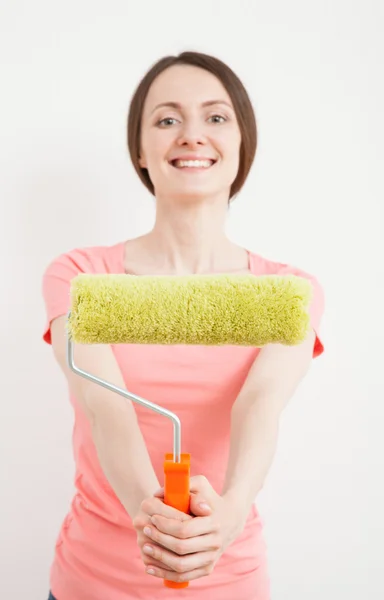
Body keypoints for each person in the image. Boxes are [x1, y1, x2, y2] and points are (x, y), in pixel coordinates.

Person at [42, 50, 325, 600]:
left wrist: (231, 513)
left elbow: (259, 406)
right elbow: (108, 409)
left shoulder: (289, 290)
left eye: (216, 118)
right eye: (167, 119)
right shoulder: (81, 275)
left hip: (231, 582)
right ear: (140, 151)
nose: (192, 135)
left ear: (241, 145)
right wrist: (158, 527)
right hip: (92, 583)